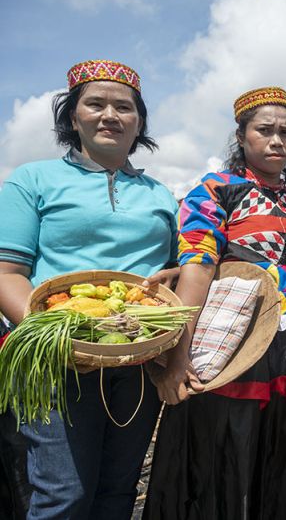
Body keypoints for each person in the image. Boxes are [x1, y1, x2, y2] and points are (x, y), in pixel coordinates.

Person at [0, 60, 178, 519]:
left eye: (124, 107)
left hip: (138, 357)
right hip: (57, 356)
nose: (110, 115)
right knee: (65, 496)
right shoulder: (33, 179)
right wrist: (59, 336)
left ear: (139, 122)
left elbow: (175, 269)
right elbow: (7, 273)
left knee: (117, 493)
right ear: (72, 117)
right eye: (95, 104)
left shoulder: (161, 195)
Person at [144, 87, 286, 519]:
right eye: (265, 130)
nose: (277, 141)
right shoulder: (216, 191)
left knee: (285, 466)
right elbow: (198, 268)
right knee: (226, 462)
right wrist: (177, 354)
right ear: (242, 135)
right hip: (238, 351)